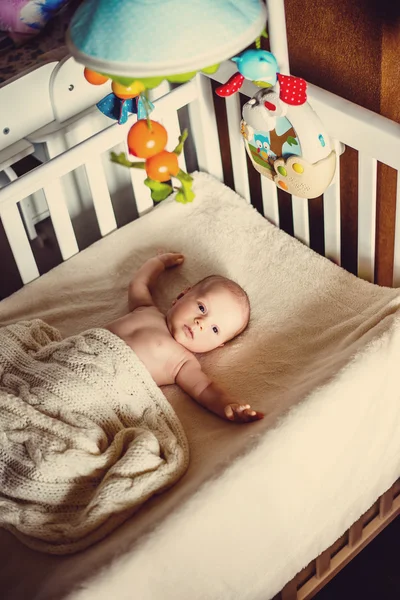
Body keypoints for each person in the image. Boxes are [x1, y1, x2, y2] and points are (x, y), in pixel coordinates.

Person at [106, 253, 264, 423]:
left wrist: (229, 406)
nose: (201, 323)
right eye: (202, 308)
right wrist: (158, 262)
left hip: (105, 387)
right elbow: (139, 284)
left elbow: (205, 390)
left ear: (218, 345)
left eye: (215, 329)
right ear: (182, 296)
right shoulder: (145, 309)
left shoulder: (183, 363)